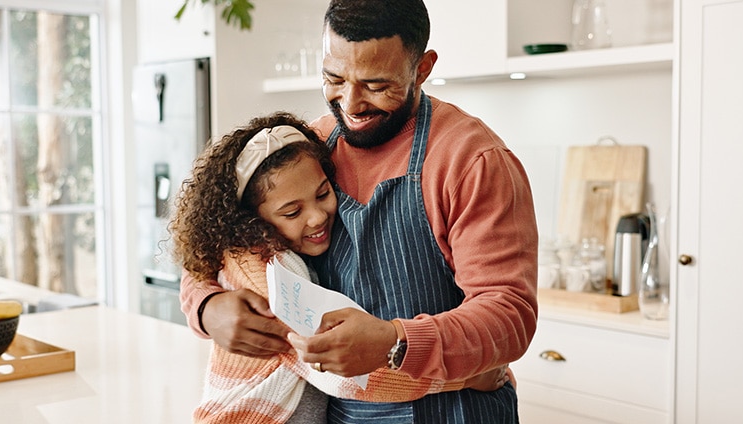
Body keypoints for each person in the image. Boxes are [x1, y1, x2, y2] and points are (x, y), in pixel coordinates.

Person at [180, 0, 539, 421]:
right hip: (342, 412)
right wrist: (207, 307)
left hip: (452, 410)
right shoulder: (311, 147)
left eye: (375, 85)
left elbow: (509, 315)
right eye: (334, 77)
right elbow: (215, 240)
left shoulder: (472, 161)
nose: (351, 103)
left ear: (421, 68)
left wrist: (394, 341)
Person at [170, 112, 509, 423]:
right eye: (292, 213)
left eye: (323, 194)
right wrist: (464, 377)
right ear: (249, 219)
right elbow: (342, 376)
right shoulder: (268, 274)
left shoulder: (302, 158)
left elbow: (506, 306)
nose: (317, 217)